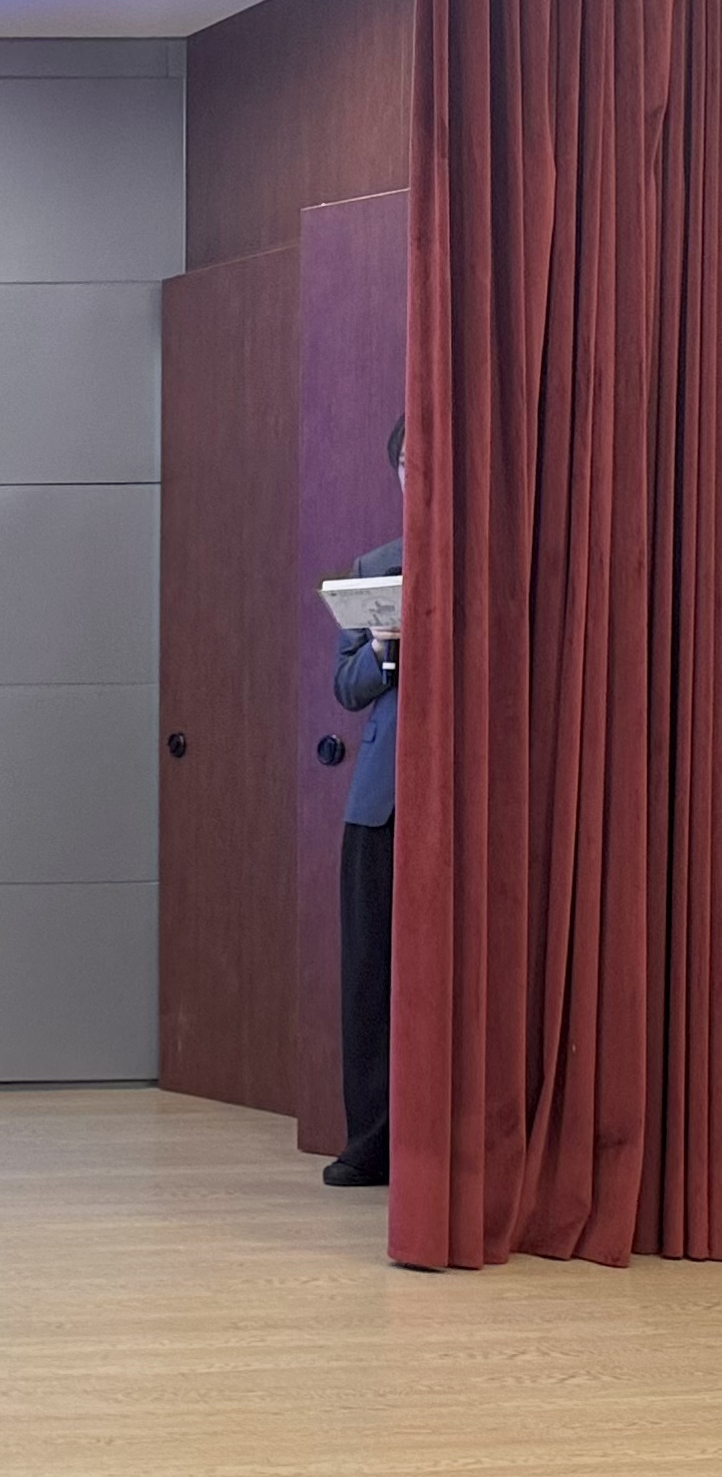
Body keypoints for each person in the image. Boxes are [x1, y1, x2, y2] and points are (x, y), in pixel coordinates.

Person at [324, 421, 404, 1189]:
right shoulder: (373, 569)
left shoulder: (498, 558)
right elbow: (346, 690)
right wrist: (383, 646)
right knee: (369, 975)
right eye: (407, 464)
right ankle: (369, 1143)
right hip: (383, 801)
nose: (418, 476)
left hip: (477, 799)